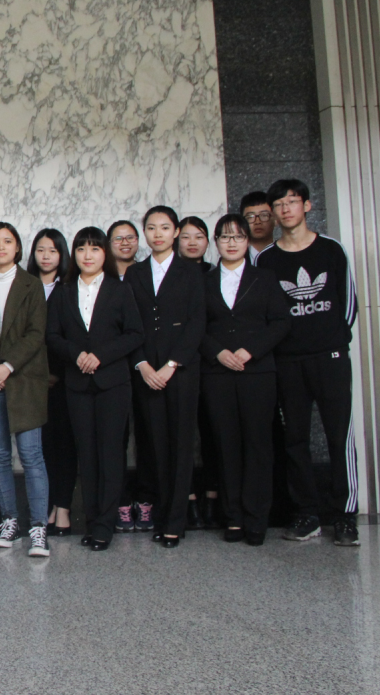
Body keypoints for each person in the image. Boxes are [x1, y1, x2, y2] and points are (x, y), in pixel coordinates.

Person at [255, 179, 360, 546]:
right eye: (279, 205)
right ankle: (307, 514)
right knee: (295, 439)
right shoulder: (266, 259)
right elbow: (265, 314)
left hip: (330, 358)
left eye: (292, 201)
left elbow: (348, 303)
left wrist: (334, 341)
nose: (286, 209)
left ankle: (345, 515)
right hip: (288, 362)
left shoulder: (331, 249)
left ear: (307, 206)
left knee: (339, 435)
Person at [46, 227, 144, 551]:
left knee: (111, 453)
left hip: (113, 382)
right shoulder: (62, 292)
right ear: (74, 254)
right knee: (86, 454)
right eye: (81, 249)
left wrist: (100, 356)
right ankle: (92, 521)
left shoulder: (120, 289)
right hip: (77, 384)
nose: (87, 255)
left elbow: (134, 334)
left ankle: (105, 524)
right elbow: (52, 336)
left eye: (95, 248)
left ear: (105, 253)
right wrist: (77, 355)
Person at [200, 214, 291, 546]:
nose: (231, 243)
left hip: (257, 373)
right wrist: (218, 352)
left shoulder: (264, 278)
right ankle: (233, 517)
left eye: (238, 237)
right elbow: (195, 327)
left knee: (257, 445)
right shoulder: (204, 282)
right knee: (226, 445)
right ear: (216, 242)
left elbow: (281, 322)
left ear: (247, 241)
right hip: (217, 374)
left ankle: (256, 518)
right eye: (225, 237)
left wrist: (250, 350)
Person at [0, 222, 52, 557]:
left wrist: (7, 366)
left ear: (18, 247)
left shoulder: (32, 285)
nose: (1, 247)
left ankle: (38, 528)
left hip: (24, 379)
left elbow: (36, 333)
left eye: (8, 241)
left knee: (31, 455)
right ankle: (9, 521)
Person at [125, 207, 205, 548]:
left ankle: (176, 521)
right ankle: (160, 515)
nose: (157, 234)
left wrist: (172, 364)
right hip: (146, 371)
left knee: (181, 445)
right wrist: (142, 364)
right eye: (151, 228)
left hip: (180, 370)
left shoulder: (191, 271)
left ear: (175, 232)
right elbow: (129, 324)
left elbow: (197, 322)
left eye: (164, 228)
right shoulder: (135, 273)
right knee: (154, 446)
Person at [107, 218, 154, 533]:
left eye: (130, 237)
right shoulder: (103, 278)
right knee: (116, 439)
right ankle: (121, 502)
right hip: (113, 370)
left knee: (148, 436)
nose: (125, 243)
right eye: (118, 238)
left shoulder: (148, 274)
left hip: (148, 367)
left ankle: (147, 500)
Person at [28, 228, 75, 536]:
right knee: (40, 447)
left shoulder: (70, 287)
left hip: (65, 379)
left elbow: (72, 334)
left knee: (64, 444)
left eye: (53, 251)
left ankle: (64, 506)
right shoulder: (25, 285)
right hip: (30, 379)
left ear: (62, 255)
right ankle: (45, 505)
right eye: (41, 250)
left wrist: (55, 372)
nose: (46, 256)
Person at [178, 216, 221, 529]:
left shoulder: (217, 274)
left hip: (216, 367)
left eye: (199, 236)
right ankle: (189, 498)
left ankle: (213, 497)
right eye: (186, 236)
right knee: (183, 437)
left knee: (213, 433)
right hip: (181, 365)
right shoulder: (170, 275)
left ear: (209, 241)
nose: (192, 242)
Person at [240, 191, 276, 260]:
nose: (257, 222)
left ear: (276, 219)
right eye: (250, 217)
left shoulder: (285, 254)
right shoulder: (235, 259)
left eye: (264, 215)